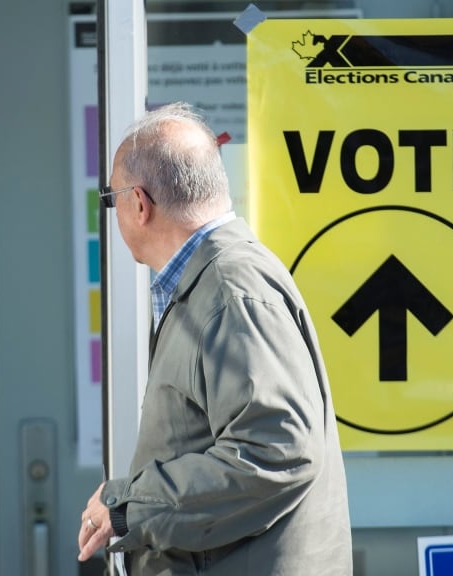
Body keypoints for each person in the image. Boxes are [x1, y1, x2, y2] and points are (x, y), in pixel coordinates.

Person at [77, 102, 353, 575]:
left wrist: (128, 506)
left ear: (139, 204)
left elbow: (276, 451)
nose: (114, 211)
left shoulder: (230, 288)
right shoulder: (214, 280)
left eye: (110, 198)